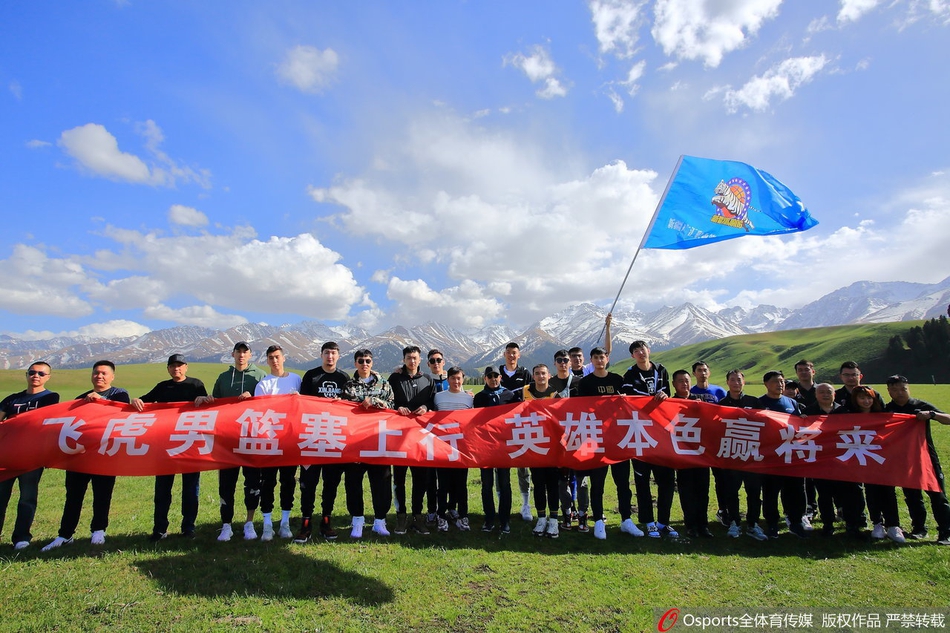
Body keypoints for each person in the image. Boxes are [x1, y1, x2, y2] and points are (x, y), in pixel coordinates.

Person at [42, 361, 129, 551]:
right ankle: (65, 534)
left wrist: (99, 400)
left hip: (105, 454)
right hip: (79, 455)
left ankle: (98, 531)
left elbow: (122, 412)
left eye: (104, 373)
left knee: (102, 493)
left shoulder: (119, 394)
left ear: (112, 376)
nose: (100, 376)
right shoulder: (81, 399)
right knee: (73, 495)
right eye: (96, 373)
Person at [131, 354, 207, 541]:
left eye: (180, 366)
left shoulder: (196, 384)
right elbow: (144, 401)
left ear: (186, 367)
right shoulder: (162, 387)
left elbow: (208, 407)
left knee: (191, 489)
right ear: (168, 369)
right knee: (162, 490)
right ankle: (160, 529)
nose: (176, 369)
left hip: (189, 443)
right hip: (165, 445)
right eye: (172, 366)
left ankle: (188, 527)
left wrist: (204, 400)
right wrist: (135, 400)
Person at [200, 342, 266, 543]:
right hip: (227, 440)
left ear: (251, 355)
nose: (241, 355)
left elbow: (269, 403)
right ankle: (226, 525)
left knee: (253, 482)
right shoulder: (223, 378)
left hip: (252, 438)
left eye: (245, 352)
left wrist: (253, 397)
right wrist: (209, 400)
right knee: (226, 483)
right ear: (233, 354)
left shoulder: (260, 376)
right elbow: (216, 406)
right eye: (238, 351)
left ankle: (249, 523)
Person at [577, 347, 641, 540]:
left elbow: (630, 405)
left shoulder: (617, 380)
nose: (599, 360)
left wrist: (623, 401)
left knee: (623, 482)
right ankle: (598, 521)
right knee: (598, 483)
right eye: (595, 358)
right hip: (597, 439)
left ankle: (626, 520)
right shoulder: (585, 383)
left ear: (607, 359)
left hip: (618, 438)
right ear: (591, 360)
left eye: (602, 357)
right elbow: (582, 408)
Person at [884, 375, 950, 546]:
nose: (899, 393)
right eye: (895, 389)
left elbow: (948, 419)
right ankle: (919, 529)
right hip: (904, 459)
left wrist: (932, 415)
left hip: (926, 457)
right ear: (889, 390)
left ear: (908, 388)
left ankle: (945, 531)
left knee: (938, 495)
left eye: (903, 389)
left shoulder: (919, 406)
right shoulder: (887, 410)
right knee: (912, 496)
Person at [0, 362, 60, 550]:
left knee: (27, 497)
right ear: (26, 375)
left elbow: (46, 421)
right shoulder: (12, 399)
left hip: (32, 457)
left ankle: (21, 537)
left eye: (41, 373)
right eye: (32, 372)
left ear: (48, 377)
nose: (36, 376)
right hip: (6, 457)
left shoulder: (50, 397)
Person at [621, 340, 678, 539]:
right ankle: (648, 522)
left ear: (649, 351)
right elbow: (627, 400)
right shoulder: (629, 374)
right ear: (632, 356)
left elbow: (669, 396)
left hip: (662, 433)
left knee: (667, 480)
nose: (640, 353)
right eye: (636, 351)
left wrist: (664, 396)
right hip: (640, 434)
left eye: (642, 349)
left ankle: (663, 522)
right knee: (642, 481)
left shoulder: (661, 370)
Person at [298, 341, 351, 541]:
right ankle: (306, 521)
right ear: (321, 355)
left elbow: (350, 406)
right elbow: (302, 404)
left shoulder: (343, 378)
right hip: (311, 438)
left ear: (338, 356)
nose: (330, 356)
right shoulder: (311, 376)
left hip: (334, 439)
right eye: (327, 353)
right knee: (308, 483)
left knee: (331, 483)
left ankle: (326, 520)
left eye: (334, 353)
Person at [340, 349, 396, 538]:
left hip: (379, 441)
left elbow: (391, 407)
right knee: (353, 483)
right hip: (355, 443)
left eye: (368, 361)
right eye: (361, 361)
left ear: (372, 363)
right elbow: (345, 408)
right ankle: (357, 520)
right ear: (355, 363)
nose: (365, 364)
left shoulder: (384, 384)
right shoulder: (348, 385)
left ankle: (380, 521)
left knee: (382, 482)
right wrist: (361, 404)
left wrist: (374, 401)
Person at [253, 344, 302, 541]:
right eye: (271, 357)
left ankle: (285, 522)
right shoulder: (263, 384)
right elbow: (258, 412)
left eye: (277, 357)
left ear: (284, 358)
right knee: (268, 482)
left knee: (288, 481)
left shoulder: (296, 380)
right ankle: (266, 523)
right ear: (267, 360)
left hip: (290, 440)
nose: (275, 360)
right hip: (270, 441)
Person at [754, 370, 808, 539]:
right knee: (770, 491)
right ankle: (771, 523)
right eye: (776, 381)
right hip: (770, 457)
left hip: (792, 455)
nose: (780, 385)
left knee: (796, 490)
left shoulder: (792, 403)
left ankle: (796, 521)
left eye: (782, 381)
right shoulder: (759, 403)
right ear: (766, 384)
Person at [389, 345, 436, 535]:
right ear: (404, 359)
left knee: (420, 480)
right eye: (409, 358)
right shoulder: (395, 378)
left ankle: (418, 517)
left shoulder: (427, 379)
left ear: (420, 359)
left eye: (415, 358)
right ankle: (401, 517)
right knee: (399, 479)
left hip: (420, 439)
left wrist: (426, 407)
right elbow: (386, 399)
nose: (412, 361)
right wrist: (397, 408)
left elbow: (433, 403)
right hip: (398, 438)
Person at [850, 385, 905, 544]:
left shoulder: (883, 415)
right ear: (856, 400)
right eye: (862, 398)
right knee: (871, 490)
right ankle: (877, 523)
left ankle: (893, 525)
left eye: (869, 398)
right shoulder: (849, 417)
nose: (866, 401)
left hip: (882, 458)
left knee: (888, 490)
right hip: (864, 457)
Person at [678, 361, 725, 538]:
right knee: (686, 491)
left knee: (703, 490)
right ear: (674, 384)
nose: (684, 384)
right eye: (680, 381)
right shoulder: (671, 402)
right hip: (681, 454)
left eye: (686, 381)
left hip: (702, 453)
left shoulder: (699, 402)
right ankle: (690, 524)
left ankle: (703, 525)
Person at [803, 383, 855, 537]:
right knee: (824, 494)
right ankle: (828, 523)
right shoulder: (808, 412)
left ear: (834, 394)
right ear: (816, 395)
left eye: (829, 392)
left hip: (842, 459)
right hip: (820, 459)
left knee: (846, 493)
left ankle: (851, 524)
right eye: (822, 392)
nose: (825, 395)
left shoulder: (844, 411)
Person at [717, 369, 763, 540]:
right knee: (731, 491)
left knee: (753, 491)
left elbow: (766, 424)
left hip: (752, 455)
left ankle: (752, 524)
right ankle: (734, 522)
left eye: (739, 380)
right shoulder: (721, 403)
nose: (736, 383)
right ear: (727, 382)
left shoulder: (754, 401)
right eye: (732, 380)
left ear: (744, 382)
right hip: (731, 454)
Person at [473, 366, 517, 533]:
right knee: (486, 484)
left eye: (495, 376)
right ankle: (489, 518)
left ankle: (505, 519)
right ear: (485, 379)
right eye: (489, 376)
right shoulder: (479, 398)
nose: (493, 379)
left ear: (500, 377)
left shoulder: (509, 396)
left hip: (504, 446)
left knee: (505, 483)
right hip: (485, 446)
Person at [549, 349, 588, 532]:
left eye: (566, 360)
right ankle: (566, 514)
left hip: (578, 436)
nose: (563, 363)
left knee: (581, 480)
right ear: (554, 363)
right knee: (561, 481)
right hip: (558, 439)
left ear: (570, 362)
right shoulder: (549, 384)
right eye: (559, 360)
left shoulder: (581, 383)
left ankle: (582, 516)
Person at [433, 366, 474, 532]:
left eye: (459, 378)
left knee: (461, 484)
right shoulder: (438, 397)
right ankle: (441, 515)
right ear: (447, 379)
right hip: (442, 447)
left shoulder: (469, 399)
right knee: (442, 484)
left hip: (461, 448)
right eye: (453, 378)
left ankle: (462, 514)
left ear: (462, 379)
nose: (456, 382)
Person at [523, 364, 560, 538]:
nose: (540, 376)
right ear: (533, 375)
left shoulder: (555, 395)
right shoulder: (525, 392)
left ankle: (554, 520)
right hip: (533, 444)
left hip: (551, 446)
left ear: (549, 375)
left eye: (543, 373)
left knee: (552, 484)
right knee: (538, 483)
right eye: (537, 373)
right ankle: (541, 518)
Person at [498, 341, 533, 522]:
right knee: (500, 466)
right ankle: (501, 504)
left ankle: (526, 504)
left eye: (514, 353)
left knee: (523, 467)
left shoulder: (525, 373)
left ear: (519, 355)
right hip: (500, 427)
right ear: (504, 354)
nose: (511, 355)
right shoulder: (497, 373)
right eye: (509, 352)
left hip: (520, 426)